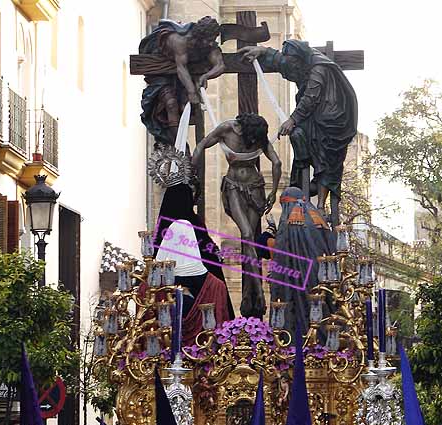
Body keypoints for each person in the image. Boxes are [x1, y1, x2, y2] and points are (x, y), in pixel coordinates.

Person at [240, 39, 358, 226]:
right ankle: (302, 182)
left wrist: (292, 120)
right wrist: (262, 51)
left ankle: (320, 205)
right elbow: (284, 62)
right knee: (298, 135)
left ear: (301, 59)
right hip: (316, 117)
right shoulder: (302, 61)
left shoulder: (319, 68)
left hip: (334, 121)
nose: (292, 67)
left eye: (294, 62)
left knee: (328, 158)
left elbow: (310, 97)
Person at [192, 112, 282, 318]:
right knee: (248, 235)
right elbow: (201, 145)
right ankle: (258, 291)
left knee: (247, 238)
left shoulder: (258, 135)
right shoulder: (226, 128)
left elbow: (277, 163)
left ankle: (251, 296)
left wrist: (274, 191)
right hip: (234, 187)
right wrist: (192, 174)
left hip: (255, 188)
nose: (252, 143)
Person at [138, 16, 224, 145]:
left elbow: (220, 66)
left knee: (187, 109)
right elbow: (181, 68)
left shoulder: (209, 45)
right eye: (208, 40)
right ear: (199, 36)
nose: (211, 43)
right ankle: (178, 146)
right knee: (171, 104)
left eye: (213, 40)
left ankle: (181, 145)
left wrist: (206, 76)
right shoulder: (180, 39)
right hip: (163, 74)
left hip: (187, 78)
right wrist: (191, 92)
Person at [153, 183, 234, 319]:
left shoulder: (164, 224)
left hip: (166, 285)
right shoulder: (193, 222)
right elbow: (208, 253)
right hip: (199, 284)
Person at [269, 186, 335, 337]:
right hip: (320, 278)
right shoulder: (319, 221)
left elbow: (281, 254)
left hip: (296, 280)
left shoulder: (287, 225)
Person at [154, 218, 231, 344]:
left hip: (160, 356)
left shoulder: (152, 286)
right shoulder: (215, 286)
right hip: (203, 352)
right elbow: (222, 328)